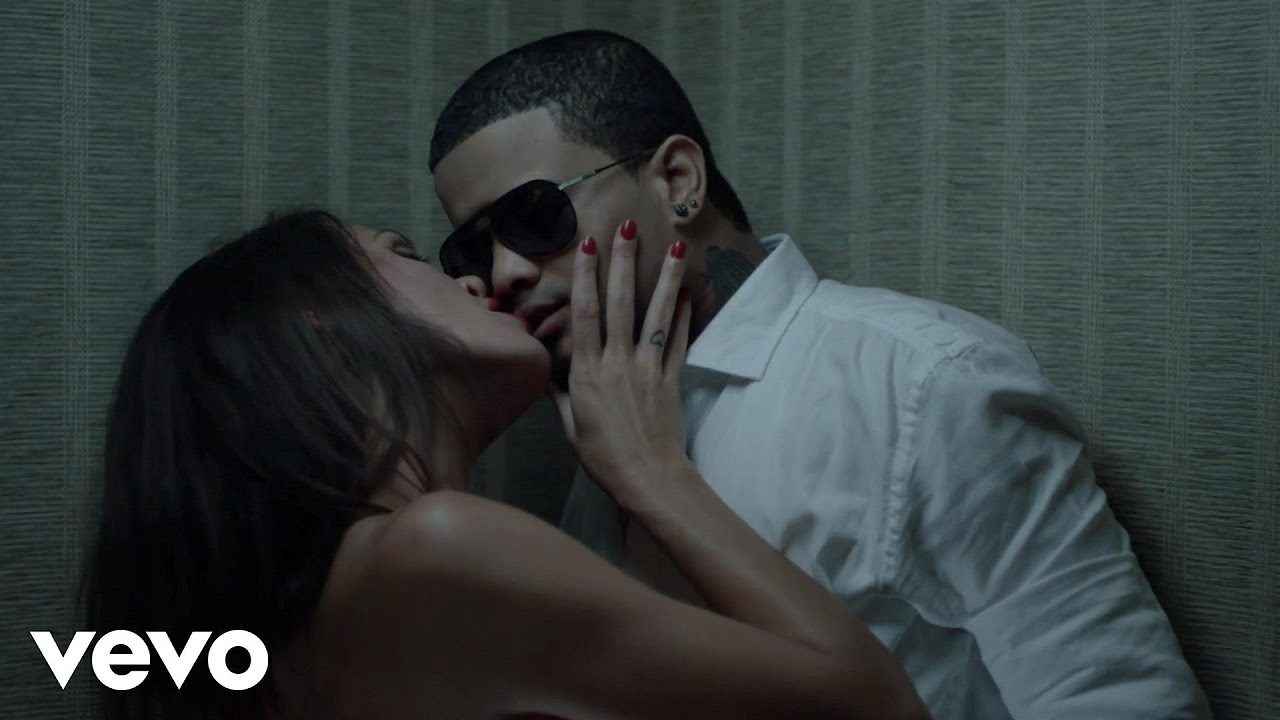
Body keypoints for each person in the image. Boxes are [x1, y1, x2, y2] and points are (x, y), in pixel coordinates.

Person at [428, 29, 1212, 719]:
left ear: (678, 181)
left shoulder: (920, 384)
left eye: (536, 217)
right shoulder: (607, 408)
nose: (505, 273)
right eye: (473, 248)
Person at [84, 209, 928, 719]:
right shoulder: (434, 550)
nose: (485, 281)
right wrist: (652, 469)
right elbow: (880, 708)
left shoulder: (316, 621)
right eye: (409, 253)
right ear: (317, 319)